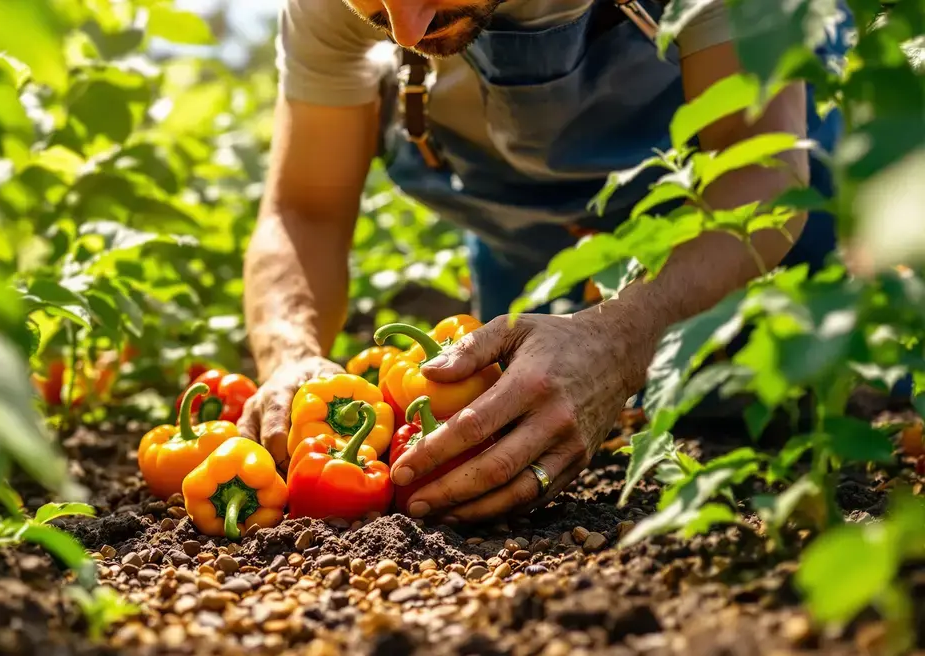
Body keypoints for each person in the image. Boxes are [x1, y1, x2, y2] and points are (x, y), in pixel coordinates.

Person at [237, 0, 853, 523]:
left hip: (743, 208)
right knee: (504, 424)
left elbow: (758, 170)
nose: (405, 31)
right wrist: (292, 353)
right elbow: (303, 210)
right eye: (374, 7)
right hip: (527, 234)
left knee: (794, 398)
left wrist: (621, 339)